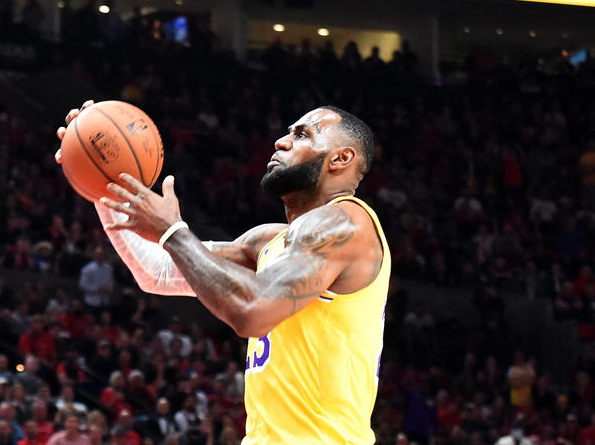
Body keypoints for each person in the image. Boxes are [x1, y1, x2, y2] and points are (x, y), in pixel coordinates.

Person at [57, 103, 387, 445]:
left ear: (341, 158)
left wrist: (174, 232)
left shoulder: (345, 223)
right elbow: (157, 271)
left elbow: (254, 311)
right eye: (288, 132)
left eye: (301, 134)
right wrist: (103, 181)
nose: (281, 142)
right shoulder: (268, 242)